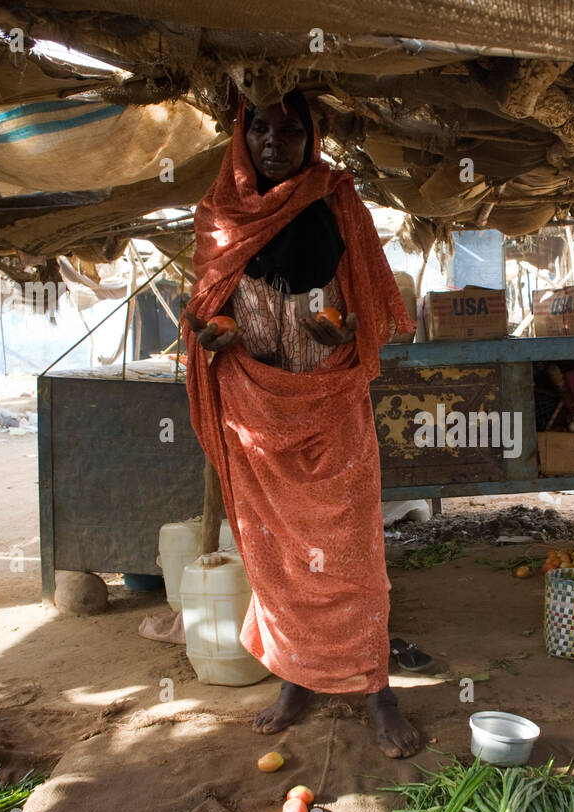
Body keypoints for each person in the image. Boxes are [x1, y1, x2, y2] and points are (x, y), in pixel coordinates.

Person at [181, 89, 421, 758]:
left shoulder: (337, 200)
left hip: (331, 407)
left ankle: (377, 690)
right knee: (274, 560)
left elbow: (366, 308)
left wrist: (340, 328)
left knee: (355, 559)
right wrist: (219, 335)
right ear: (241, 134)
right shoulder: (218, 217)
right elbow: (209, 308)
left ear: (311, 136)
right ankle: (294, 680)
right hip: (256, 413)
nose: (272, 141)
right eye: (259, 126)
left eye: (289, 129)